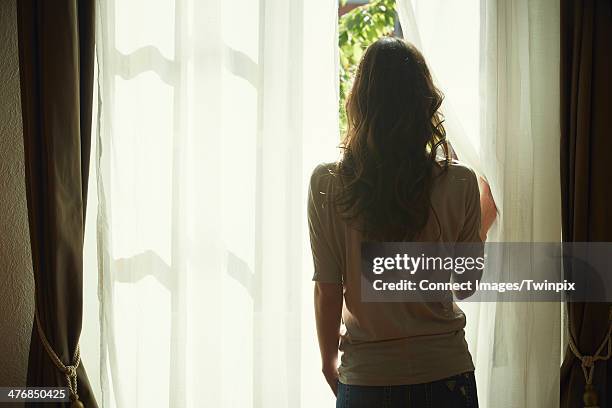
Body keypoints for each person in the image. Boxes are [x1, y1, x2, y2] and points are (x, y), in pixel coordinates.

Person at [308, 37, 497, 408]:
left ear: (360, 102)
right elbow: (465, 285)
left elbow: (327, 290)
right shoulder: (459, 182)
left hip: (368, 376)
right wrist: (480, 228)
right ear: (424, 103)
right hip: (446, 375)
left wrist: (330, 365)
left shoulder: (327, 182)